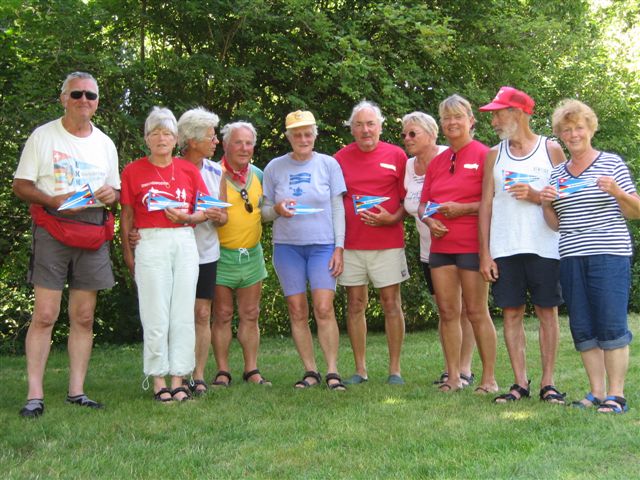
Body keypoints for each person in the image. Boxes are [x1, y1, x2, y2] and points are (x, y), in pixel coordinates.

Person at [13, 72, 120, 418]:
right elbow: (20, 185)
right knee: (45, 314)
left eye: (90, 95)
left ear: (97, 102)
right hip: (52, 226)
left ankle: (77, 391)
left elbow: (116, 192)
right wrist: (52, 200)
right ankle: (35, 395)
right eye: (76, 94)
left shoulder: (105, 143)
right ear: (63, 98)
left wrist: (112, 195)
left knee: (84, 316)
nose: (83, 100)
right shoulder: (43, 136)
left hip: (92, 230)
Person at [540, 99, 640, 414]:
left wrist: (618, 192)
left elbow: (635, 211)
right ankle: (596, 392)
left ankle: (616, 395)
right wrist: (545, 203)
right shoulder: (557, 174)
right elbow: (556, 224)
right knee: (582, 325)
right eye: (566, 130)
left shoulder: (611, 164)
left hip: (609, 254)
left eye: (579, 128)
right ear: (560, 135)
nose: (573, 135)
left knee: (610, 322)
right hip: (571, 256)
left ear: (591, 129)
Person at [477, 86, 567, 404]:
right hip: (505, 246)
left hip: (545, 244)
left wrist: (536, 196)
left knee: (547, 312)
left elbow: (565, 198)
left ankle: (548, 383)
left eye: (498, 114)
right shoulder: (494, 154)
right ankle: (519, 383)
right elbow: (486, 204)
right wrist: (485, 253)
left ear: (518, 113)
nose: (493, 121)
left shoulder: (551, 149)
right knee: (511, 313)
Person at [120, 107, 209, 402]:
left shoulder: (188, 170)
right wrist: (128, 251)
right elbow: (127, 215)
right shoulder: (133, 171)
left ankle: (179, 378)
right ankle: (158, 379)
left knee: (183, 312)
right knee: (155, 312)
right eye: (155, 133)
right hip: (150, 241)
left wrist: (188, 218)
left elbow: (204, 210)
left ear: (175, 139)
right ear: (147, 138)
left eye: (167, 133)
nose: (161, 138)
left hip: (184, 240)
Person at [418, 94, 498, 394]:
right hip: (440, 248)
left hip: (473, 245)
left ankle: (488, 379)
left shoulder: (486, 155)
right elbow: (423, 204)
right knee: (448, 312)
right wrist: (430, 220)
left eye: (458, 117)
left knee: (476, 312)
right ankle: (452, 377)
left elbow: (494, 201)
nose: (452, 122)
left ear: (471, 121)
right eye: (447, 118)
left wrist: (462, 209)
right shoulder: (437, 161)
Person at [262, 110, 347, 390]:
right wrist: (277, 209)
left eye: (308, 134)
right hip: (288, 247)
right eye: (297, 134)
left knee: (323, 307)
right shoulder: (274, 167)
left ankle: (332, 370)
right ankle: (310, 371)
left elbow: (338, 208)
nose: (303, 139)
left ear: (315, 135)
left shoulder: (328, 164)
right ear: (289, 137)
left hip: (323, 245)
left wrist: (339, 247)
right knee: (297, 310)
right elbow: (263, 212)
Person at [334, 100, 409, 385]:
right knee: (355, 305)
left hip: (388, 243)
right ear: (351, 129)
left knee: (391, 304)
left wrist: (392, 218)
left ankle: (395, 370)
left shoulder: (397, 155)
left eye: (370, 124)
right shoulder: (339, 158)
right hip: (352, 244)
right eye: (359, 125)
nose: (365, 130)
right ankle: (360, 370)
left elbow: (407, 201)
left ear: (380, 126)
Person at [401, 111, 476, 387]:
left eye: (413, 133)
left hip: (463, 244)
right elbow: (411, 204)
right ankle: (450, 369)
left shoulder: (450, 156)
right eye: (404, 134)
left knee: (466, 309)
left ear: (432, 133)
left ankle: (464, 369)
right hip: (429, 251)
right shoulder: (408, 166)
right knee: (447, 311)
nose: (407, 138)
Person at [210, 121, 271, 386]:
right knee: (222, 314)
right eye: (238, 142)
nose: (244, 148)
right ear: (225, 145)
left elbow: (264, 211)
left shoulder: (258, 175)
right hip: (220, 255)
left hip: (252, 255)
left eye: (248, 143)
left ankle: (251, 369)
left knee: (251, 313)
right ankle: (223, 371)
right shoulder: (213, 173)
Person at [176, 108, 228, 395]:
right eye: (211, 136)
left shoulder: (216, 171)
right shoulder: (171, 168)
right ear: (193, 140)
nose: (216, 141)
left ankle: (197, 375)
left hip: (206, 251)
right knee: (179, 313)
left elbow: (224, 216)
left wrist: (219, 216)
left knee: (201, 312)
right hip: (175, 252)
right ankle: (178, 373)